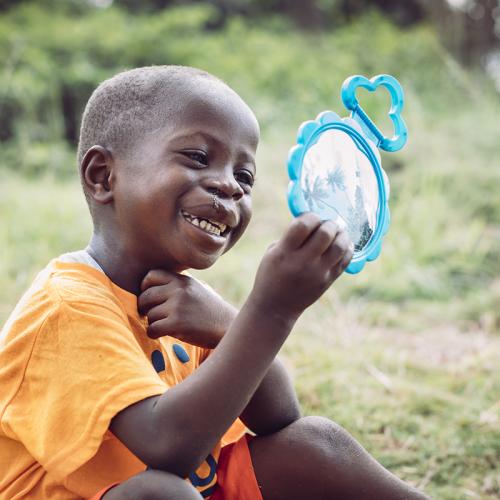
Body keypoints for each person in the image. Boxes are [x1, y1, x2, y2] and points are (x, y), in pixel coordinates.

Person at [0, 65, 429, 500]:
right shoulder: (67, 305)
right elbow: (167, 449)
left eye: (245, 177)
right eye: (198, 157)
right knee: (158, 494)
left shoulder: (187, 300)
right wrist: (271, 311)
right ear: (102, 176)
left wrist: (229, 323)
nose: (230, 187)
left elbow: (280, 419)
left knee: (315, 441)